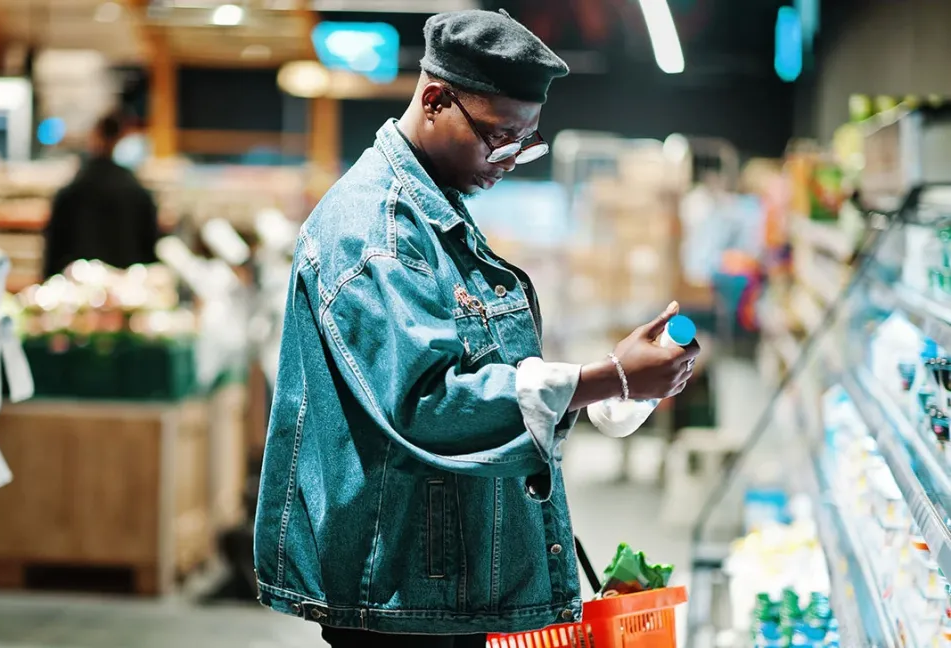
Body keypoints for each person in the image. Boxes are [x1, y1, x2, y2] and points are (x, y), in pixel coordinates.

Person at [253, 9, 700, 648]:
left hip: (437, 577)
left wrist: (609, 381)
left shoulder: (435, 205)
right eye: (500, 137)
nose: (511, 159)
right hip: (400, 592)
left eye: (527, 142)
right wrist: (608, 378)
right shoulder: (376, 232)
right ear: (436, 101)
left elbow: (479, 365)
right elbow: (424, 402)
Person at [41, 113, 160, 279]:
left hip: (75, 291)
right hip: (127, 292)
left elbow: (53, 253)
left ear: (93, 138)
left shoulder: (71, 191)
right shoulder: (138, 192)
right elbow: (150, 253)